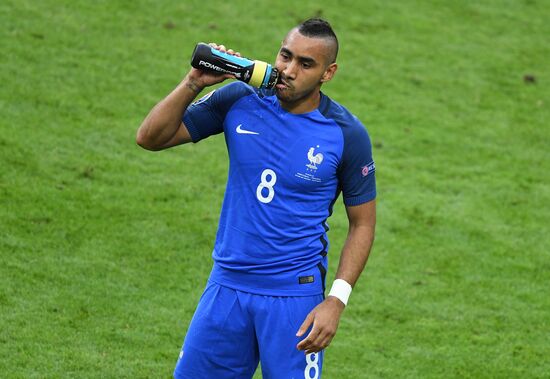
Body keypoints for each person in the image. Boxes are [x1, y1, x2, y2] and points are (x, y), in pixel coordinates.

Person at [137, 18, 376, 379]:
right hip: (227, 287)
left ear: (329, 73)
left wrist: (336, 301)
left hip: (294, 299)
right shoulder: (239, 99)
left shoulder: (346, 134)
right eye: (285, 56)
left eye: (305, 64)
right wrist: (193, 83)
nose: (288, 70)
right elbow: (151, 137)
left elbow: (363, 223)